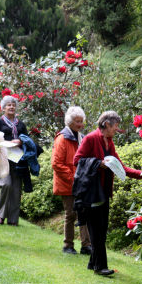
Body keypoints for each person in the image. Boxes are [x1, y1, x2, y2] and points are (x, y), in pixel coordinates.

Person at [73, 111, 142, 276]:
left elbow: (120, 167)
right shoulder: (91, 138)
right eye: (115, 126)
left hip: (104, 192)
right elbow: (77, 161)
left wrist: (141, 174)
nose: (117, 129)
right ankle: (100, 267)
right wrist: (98, 164)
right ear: (106, 124)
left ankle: (93, 263)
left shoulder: (109, 142)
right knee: (96, 230)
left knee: (102, 229)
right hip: (91, 192)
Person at [52, 106, 92, 255]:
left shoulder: (80, 137)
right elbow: (57, 164)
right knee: (71, 214)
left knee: (84, 213)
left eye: (81, 121)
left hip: (80, 182)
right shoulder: (62, 138)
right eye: (77, 121)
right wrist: (74, 178)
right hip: (68, 183)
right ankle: (68, 245)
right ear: (70, 122)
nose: (80, 124)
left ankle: (86, 245)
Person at [0, 95, 27, 225]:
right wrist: (8, 142)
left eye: (13, 104)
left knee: (16, 188)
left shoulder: (21, 124)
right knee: (6, 185)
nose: (11, 107)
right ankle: (1, 215)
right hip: (3, 158)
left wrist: (20, 141)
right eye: (8, 105)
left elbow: (27, 139)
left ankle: (13, 219)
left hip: (18, 160)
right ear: (3, 108)